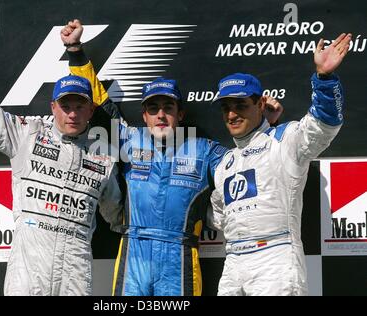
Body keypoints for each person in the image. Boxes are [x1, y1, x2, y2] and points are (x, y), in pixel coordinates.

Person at [61, 20, 282, 296]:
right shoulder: (128, 140)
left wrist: (265, 126)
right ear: (144, 116)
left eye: (168, 107)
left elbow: (247, 162)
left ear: (181, 114)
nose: (161, 114)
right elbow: (100, 106)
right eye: (153, 108)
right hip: (134, 252)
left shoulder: (205, 150)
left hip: (180, 257)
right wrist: (75, 51)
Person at [0, 4, 123, 296]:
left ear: (90, 109)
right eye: (65, 105)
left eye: (79, 105)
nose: (72, 113)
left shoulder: (103, 157)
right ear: (52, 107)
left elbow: (119, 216)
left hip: (76, 277)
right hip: (28, 275)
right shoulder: (27, 134)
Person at [209, 33, 352, 296]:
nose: (231, 114)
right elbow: (219, 216)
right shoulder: (225, 162)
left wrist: (324, 78)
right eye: (226, 107)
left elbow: (323, 126)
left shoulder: (284, 139)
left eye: (240, 105)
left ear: (260, 103)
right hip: (233, 262)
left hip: (275, 258)